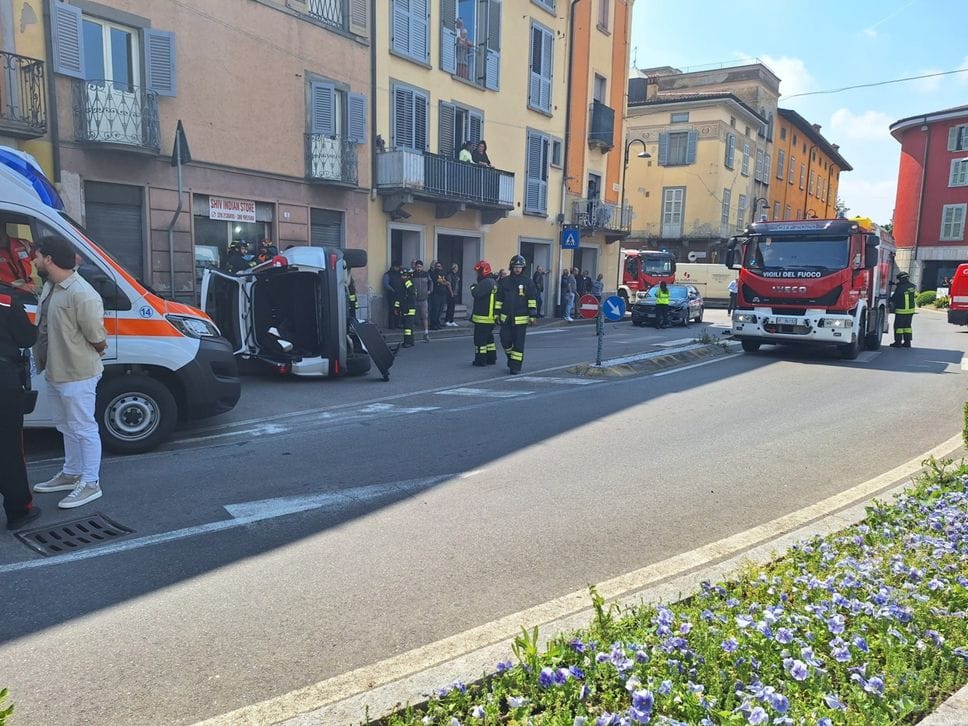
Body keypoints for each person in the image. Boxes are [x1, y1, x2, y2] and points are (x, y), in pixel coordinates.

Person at [31, 236, 108, 509]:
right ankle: (71, 473)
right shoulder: (51, 286)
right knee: (66, 426)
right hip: (56, 370)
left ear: (49, 258)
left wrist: (87, 353)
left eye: (37, 255)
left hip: (77, 373)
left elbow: (97, 338)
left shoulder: (81, 293)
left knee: (84, 428)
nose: (34, 260)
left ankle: (90, 483)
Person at [0, 283, 41, 530]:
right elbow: (26, 338)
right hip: (3, 379)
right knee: (9, 447)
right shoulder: (5, 298)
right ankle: (18, 510)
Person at [495, 255, 538, 375]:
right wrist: (496, 314)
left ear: (523, 268)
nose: (517, 269)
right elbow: (499, 299)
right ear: (511, 267)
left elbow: (532, 299)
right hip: (506, 318)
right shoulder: (504, 282)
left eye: (520, 267)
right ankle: (511, 359)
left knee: (518, 344)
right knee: (505, 340)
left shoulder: (528, 282)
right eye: (515, 267)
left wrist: (533, 315)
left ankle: (515, 367)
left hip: (521, 319)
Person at [470, 260, 497, 366]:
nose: (477, 274)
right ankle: (491, 358)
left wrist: (472, 287)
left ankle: (480, 360)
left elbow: (476, 293)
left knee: (480, 341)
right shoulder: (493, 282)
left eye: (478, 271)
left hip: (483, 318)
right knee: (489, 340)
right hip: (490, 318)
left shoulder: (485, 283)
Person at [889, 271, 916, 348]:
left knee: (898, 327)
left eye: (899, 280)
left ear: (902, 279)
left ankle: (898, 343)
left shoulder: (900, 288)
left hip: (901, 310)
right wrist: (895, 284)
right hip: (910, 310)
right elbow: (904, 287)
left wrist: (889, 299)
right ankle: (907, 343)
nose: (899, 281)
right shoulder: (912, 286)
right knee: (907, 327)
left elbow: (894, 298)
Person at [413, 260, 433, 340]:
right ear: (415, 267)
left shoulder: (426, 274)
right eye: (417, 267)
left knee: (425, 316)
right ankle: (411, 334)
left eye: (420, 267)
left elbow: (431, 282)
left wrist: (430, 291)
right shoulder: (412, 274)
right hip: (414, 299)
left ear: (422, 267)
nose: (418, 268)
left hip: (424, 299)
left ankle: (426, 333)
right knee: (412, 316)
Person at [398, 267, 416, 348]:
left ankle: (407, 342)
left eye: (404, 276)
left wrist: (407, 282)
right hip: (405, 308)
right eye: (402, 276)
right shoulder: (403, 285)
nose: (402, 277)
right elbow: (399, 297)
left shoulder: (409, 284)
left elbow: (412, 294)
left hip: (409, 308)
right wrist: (397, 307)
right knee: (408, 326)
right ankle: (410, 341)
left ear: (409, 276)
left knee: (407, 327)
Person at [383, 260, 403, 329]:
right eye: (397, 267)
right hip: (392, 295)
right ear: (393, 266)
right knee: (392, 310)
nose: (398, 268)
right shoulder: (387, 274)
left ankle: (397, 324)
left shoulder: (400, 273)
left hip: (399, 295)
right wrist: (392, 290)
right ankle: (391, 325)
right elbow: (386, 284)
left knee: (398, 309)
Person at [429, 260, 449, 331]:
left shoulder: (443, 273)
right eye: (437, 266)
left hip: (443, 294)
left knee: (440, 310)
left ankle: (438, 323)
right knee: (435, 310)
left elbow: (447, 282)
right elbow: (440, 281)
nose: (438, 267)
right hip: (436, 294)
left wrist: (445, 282)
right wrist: (444, 282)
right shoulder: (433, 273)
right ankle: (433, 324)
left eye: (439, 266)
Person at [444, 262, 461, 327]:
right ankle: (447, 320)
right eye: (456, 267)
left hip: (455, 293)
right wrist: (451, 293)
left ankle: (451, 320)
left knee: (452, 307)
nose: (457, 268)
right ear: (454, 268)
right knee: (450, 307)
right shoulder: (449, 275)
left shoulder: (456, 275)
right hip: (450, 293)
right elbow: (449, 284)